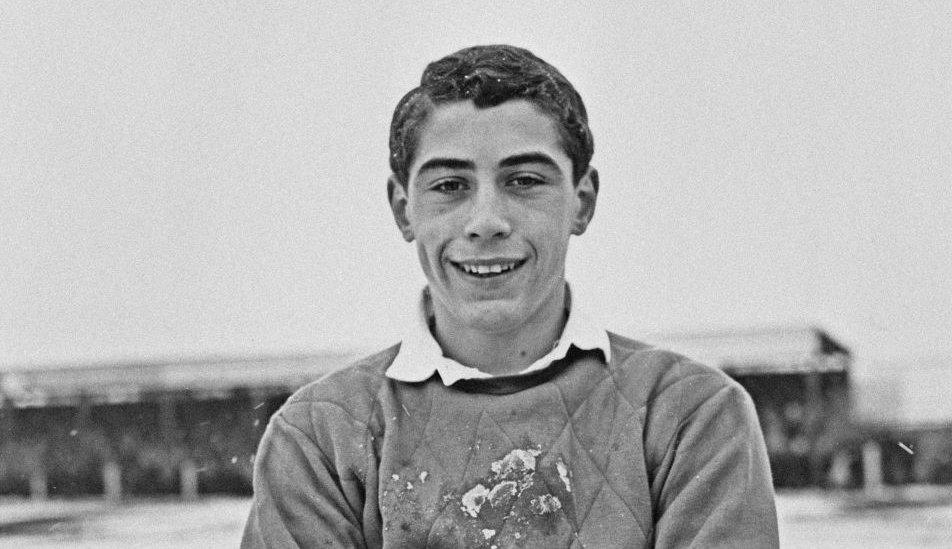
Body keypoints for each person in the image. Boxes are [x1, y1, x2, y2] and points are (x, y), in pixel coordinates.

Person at [241, 44, 778, 548]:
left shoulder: (692, 416)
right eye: (450, 185)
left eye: (523, 180)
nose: (486, 222)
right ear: (404, 209)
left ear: (582, 201)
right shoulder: (319, 437)